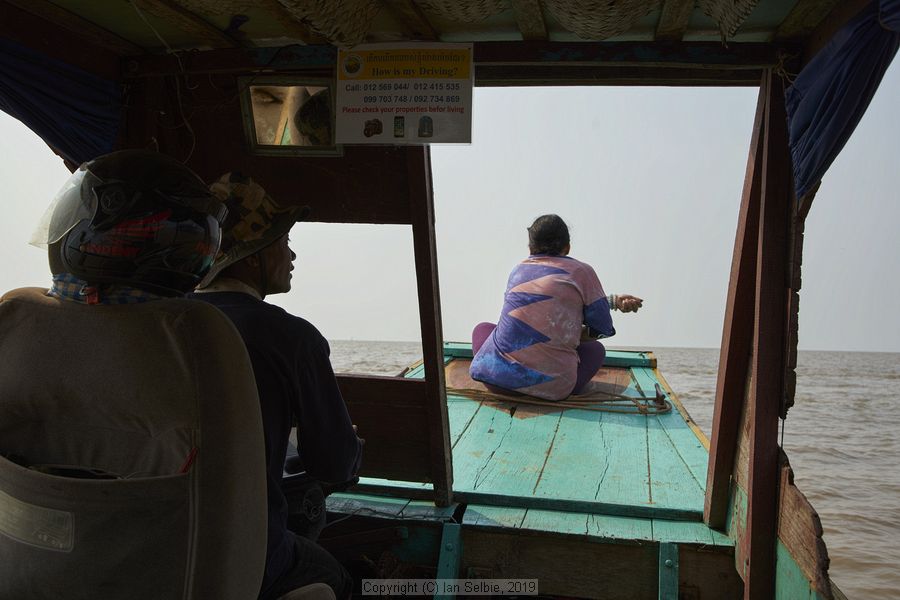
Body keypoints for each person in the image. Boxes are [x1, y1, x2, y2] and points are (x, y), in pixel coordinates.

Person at [191, 172, 362, 600]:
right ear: (253, 257)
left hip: (169, 536)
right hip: (248, 550)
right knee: (339, 578)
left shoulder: (163, 319)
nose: (292, 255)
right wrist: (351, 446)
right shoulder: (292, 338)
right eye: (283, 242)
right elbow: (333, 466)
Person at [469, 214, 643, 401]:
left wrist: (612, 301)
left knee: (482, 329)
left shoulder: (517, 270)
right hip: (551, 391)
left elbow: (547, 307)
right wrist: (567, 334)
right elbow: (602, 329)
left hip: (495, 381)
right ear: (567, 247)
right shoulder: (581, 271)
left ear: (530, 247)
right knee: (596, 350)